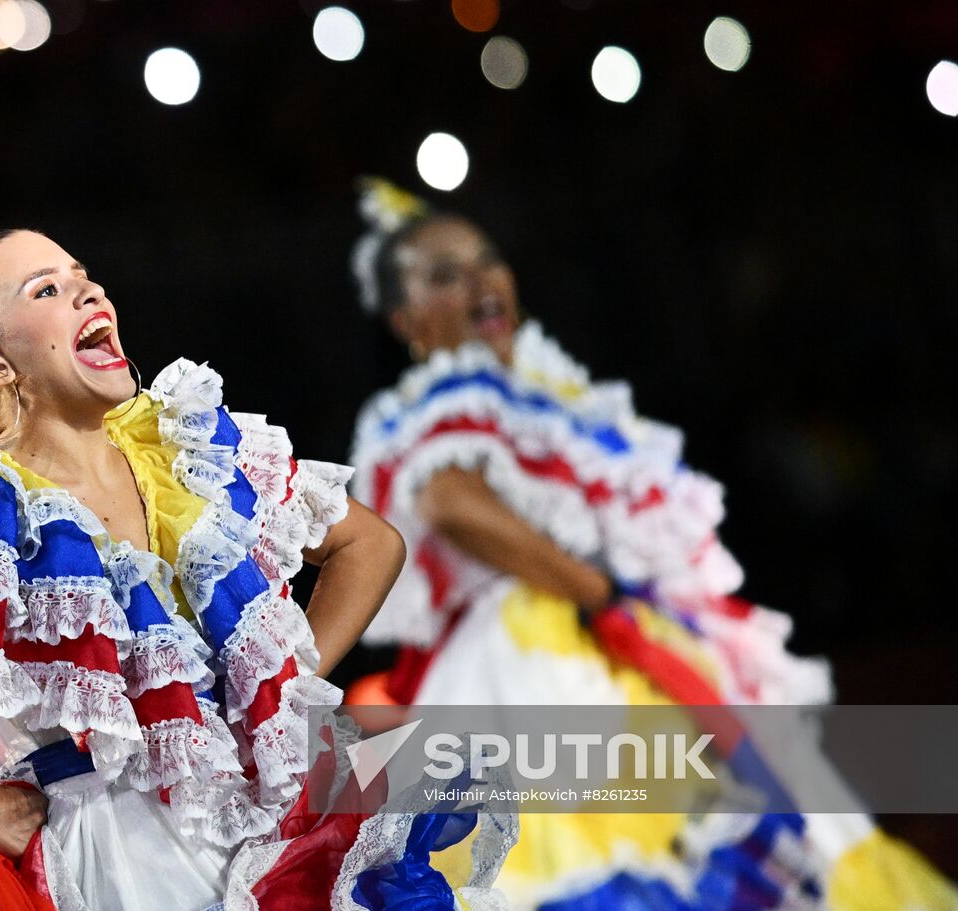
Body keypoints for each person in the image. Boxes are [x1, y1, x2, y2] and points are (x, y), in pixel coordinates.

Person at [0, 207, 515, 911]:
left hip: (260, 807)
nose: (87, 292)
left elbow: (367, 542)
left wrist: (280, 689)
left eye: (83, 277)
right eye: (45, 290)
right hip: (115, 861)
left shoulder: (183, 448)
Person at [345, 178, 956, 910]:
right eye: (445, 274)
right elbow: (450, 501)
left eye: (487, 259)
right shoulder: (432, 403)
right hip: (529, 660)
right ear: (406, 319)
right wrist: (591, 586)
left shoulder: (536, 394)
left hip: (604, 638)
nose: (480, 280)